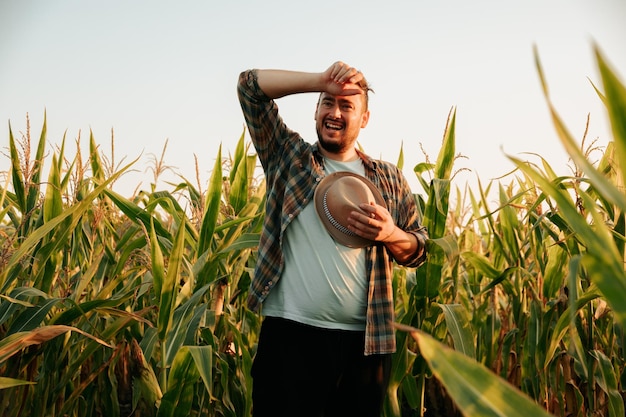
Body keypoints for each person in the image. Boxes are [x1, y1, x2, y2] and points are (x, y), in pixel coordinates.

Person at [237, 61, 428, 417]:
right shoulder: (288, 157)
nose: (335, 112)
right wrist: (320, 81)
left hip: (366, 346)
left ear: (365, 119)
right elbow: (249, 87)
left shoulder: (389, 180)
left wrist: (391, 234)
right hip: (290, 339)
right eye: (328, 102)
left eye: (347, 105)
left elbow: (419, 249)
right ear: (316, 109)